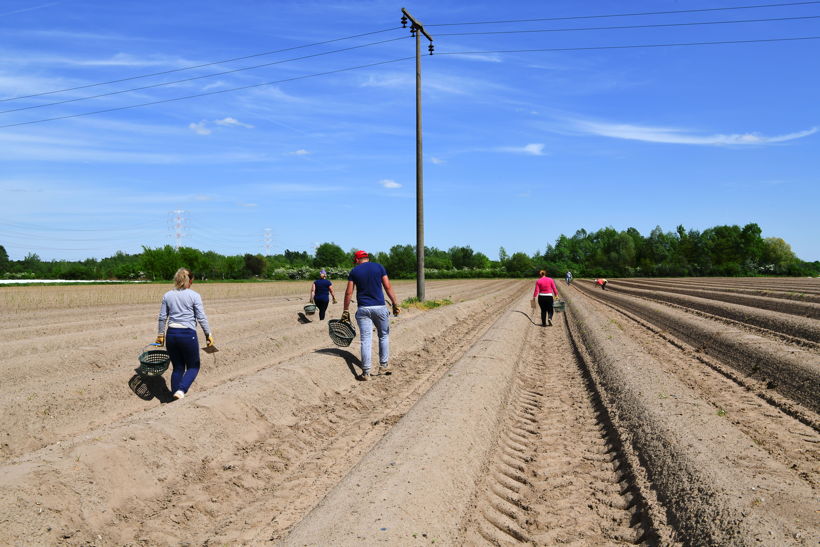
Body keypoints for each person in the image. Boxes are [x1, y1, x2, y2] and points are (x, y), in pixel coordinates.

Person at [155, 268, 214, 400]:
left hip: (171, 335)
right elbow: (201, 317)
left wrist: (160, 335)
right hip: (187, 334)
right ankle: (181, 390)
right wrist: (208, 334)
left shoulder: (168, 295)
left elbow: (162, 317)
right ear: (190, 280)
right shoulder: (194, 295)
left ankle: (175, 395)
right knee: (194, 366)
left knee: (178, 367)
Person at [342, 250, 400, 381]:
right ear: (367, 258)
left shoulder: (354, 271)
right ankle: (384, 366)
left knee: (365, 340)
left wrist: (345, 310)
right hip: (380, 307)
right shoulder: (379, 267)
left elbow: (348, 293)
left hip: (363, 309)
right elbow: (388, 286)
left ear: (357, 260)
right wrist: (395, 303)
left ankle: (366, 372)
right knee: (383, 335)